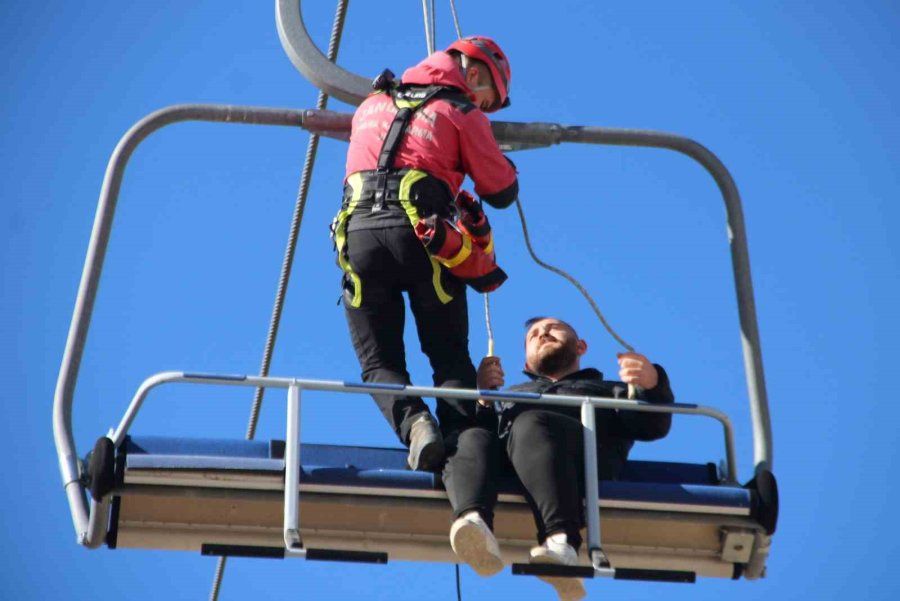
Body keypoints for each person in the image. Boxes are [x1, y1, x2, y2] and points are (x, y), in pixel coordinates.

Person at [332, 36, 518, 472]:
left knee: (379, 361)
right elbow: (501, 191)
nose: (485, 110)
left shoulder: (371, 105)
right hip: (424, 235)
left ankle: (416, 425)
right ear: (473, 74)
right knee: (449, 355)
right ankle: (460, 445)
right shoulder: (460, 112)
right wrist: (494, 148)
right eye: (488, 101)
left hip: (358, 241)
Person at [443, 316, 674, 600]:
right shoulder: (511, 396)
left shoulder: (610, 391)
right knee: (471, 436)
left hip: (582, 461)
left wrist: (651, 384)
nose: (542, 334)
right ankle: (474, 524)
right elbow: (480, 445)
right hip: (515, 461)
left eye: (553, 328)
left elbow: (652, 426)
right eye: (534, 335)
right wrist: (484, 401)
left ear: (580, 346)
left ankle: (561, 543)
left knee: (531, 422)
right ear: (527, 364)